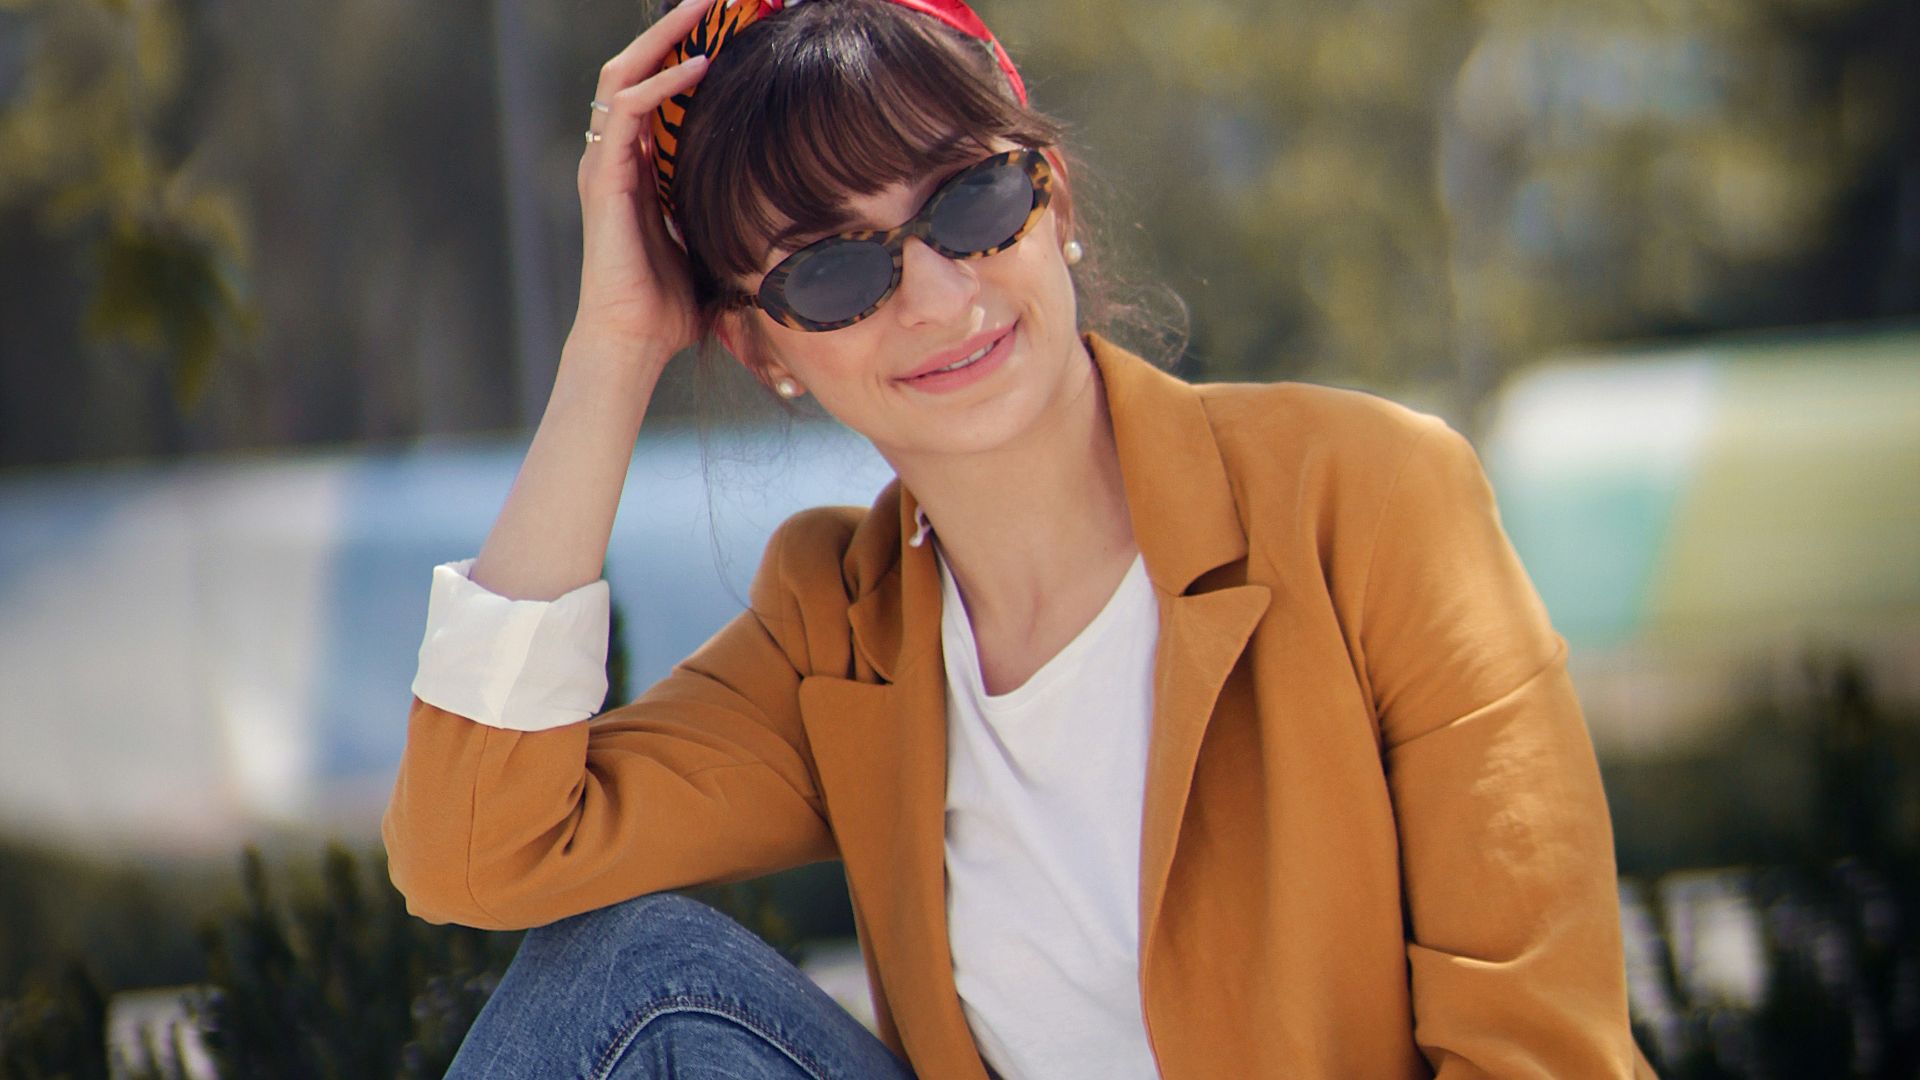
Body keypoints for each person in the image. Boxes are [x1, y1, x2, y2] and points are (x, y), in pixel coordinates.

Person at [381, 0, 1662, 1076]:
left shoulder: (1369, 498)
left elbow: (1539, 1051)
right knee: (625, 975)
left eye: (974, 200)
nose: (941, 295)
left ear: (1055, 199)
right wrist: (610, 349)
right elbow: (479, 850)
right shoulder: (841, 627)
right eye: (831, 271)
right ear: (758, 345)